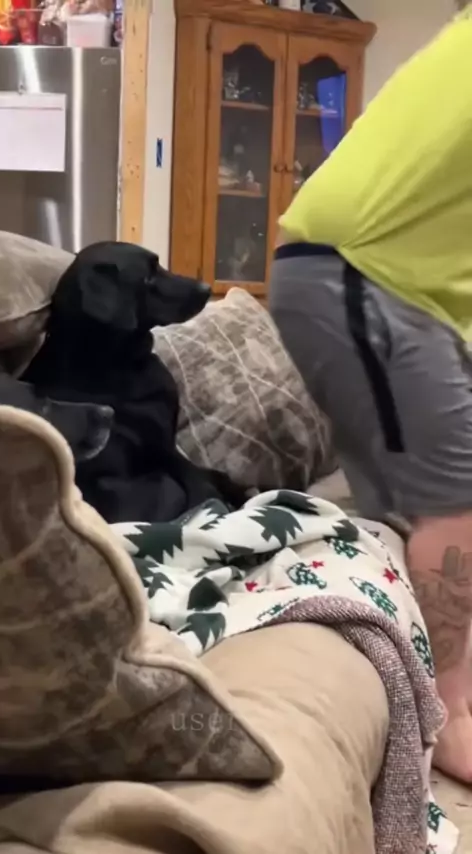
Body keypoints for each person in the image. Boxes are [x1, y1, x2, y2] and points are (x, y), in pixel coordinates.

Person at [269, 1, 472, 784]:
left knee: (409, 513)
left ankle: (408, 664)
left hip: (379, 280)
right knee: (455, 503)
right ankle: (450, 718)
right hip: (363, 274)